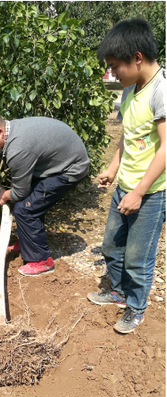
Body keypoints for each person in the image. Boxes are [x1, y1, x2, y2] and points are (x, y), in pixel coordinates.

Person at [87, 19, 165, 334]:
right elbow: (127, 135)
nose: (112, 74)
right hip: (125, 186)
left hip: (151, 193)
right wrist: (113, 168)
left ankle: (136, 309)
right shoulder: (131, 90)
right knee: (111, 246)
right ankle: (118, 293)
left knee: (137, 258)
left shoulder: (161, 90)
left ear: (136, 57)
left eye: (114, 66)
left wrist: (139, 191)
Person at [0, 111, 90, 276]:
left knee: (26, 208)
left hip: (71, 168)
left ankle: (42, 260)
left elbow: (20, 192)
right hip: (57, 162)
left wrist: (5, 195)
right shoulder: (10, 129)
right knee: (28, 202)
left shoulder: (18, 148)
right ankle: (28, 243)